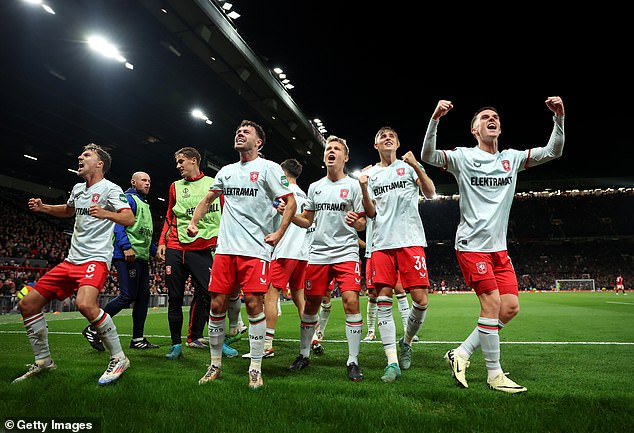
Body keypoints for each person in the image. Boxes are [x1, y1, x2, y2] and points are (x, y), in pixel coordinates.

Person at [421, 96, 565, 393]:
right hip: (472, 245)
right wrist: (435, 119)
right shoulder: (463, 157)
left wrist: (559, 117)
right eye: (485, 117)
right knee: (492, 304)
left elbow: (554, 151)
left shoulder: (511, 158)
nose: (492, 119)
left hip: (499, 249)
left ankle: (461, 354)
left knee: (509, 307)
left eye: (495, 117)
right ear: (474, 129)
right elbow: (429, 154)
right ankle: (494, 374)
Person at [188, 120, 297, 389]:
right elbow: (207, 200)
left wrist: (280, 233)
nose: (239, 133)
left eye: (246, 132)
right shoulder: (226, 171)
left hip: (255, 250)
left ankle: (256, 368)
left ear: (259, 142)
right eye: (238, 130)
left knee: (253, 305)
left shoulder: (269, 169)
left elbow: (291, 201)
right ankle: (214, 365)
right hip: (225, 250)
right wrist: (194, 222)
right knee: (216, 305)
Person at [13, 143, 134, 385]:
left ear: (100, 164)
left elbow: (128, 217)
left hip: (96, 259)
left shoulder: (111, 189)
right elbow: (69, 211)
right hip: (71, 261)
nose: (80, 157)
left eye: (86, 155)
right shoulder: (78, 188)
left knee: (85, 304)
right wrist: (44, 207)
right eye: (80, 154)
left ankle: (119, 358)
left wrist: (106, 213)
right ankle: (44, 361)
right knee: (28, 304)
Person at [358, 126, 435, 383]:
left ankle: (407, 341)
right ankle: (392, 362)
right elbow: (369, 213)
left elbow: (430, 192)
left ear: (398, 143)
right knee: (382, 297)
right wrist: (363, 188)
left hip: (411, 240)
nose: (387, 138)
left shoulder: (408, 167)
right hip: (381, 243)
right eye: (382, 136)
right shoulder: (370, 174)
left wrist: (417, 166)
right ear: (376, 145)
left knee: (421, 300)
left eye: (391, 135)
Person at [287, 135, 366, 382]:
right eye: (328, 149)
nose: (331, 151)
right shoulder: (315, 187)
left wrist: (358, 222)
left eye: (336, 149)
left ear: (345, 157)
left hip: (345, 251)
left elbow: (363, 222)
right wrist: (289, 215)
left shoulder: (354, 186)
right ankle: (303, 354)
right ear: (325, 157)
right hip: (319, 254)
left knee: (351, 302)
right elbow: (306, 220)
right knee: (311, 305)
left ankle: (353, 360)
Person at [155, 147, 237, 360]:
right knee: (175, 297)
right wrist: (162, 241)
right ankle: (176, 345)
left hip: (203, 248)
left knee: (212, 294)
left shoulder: (213, 183)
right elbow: (169, 216)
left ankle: (214, 341)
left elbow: (227, 211)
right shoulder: (175, 187)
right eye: (177, 162)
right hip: (176, 246)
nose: (178, 166)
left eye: (181, 161)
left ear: (194, 161)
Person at [81, 171, 160, 351]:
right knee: (127, 295)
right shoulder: (128, 199)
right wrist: (125, 247)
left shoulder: (144, 204)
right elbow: (118, 224)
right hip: (127, 255)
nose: (148, 183)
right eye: (144, 180)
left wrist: (156, 251)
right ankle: (93, 328)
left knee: (143, 298)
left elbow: (144, 234)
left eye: (149, 180)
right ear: (133, 182)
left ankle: (138, 339)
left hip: (141, 256)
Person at [242, 158, 308, 360]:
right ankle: (312, 338)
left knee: (271, 295)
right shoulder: (304, 195)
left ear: (282, 172)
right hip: (303, 252)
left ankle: (267, 345)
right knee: (299, 296)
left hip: (284, 251)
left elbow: (269, 220)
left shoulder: (282, 195)